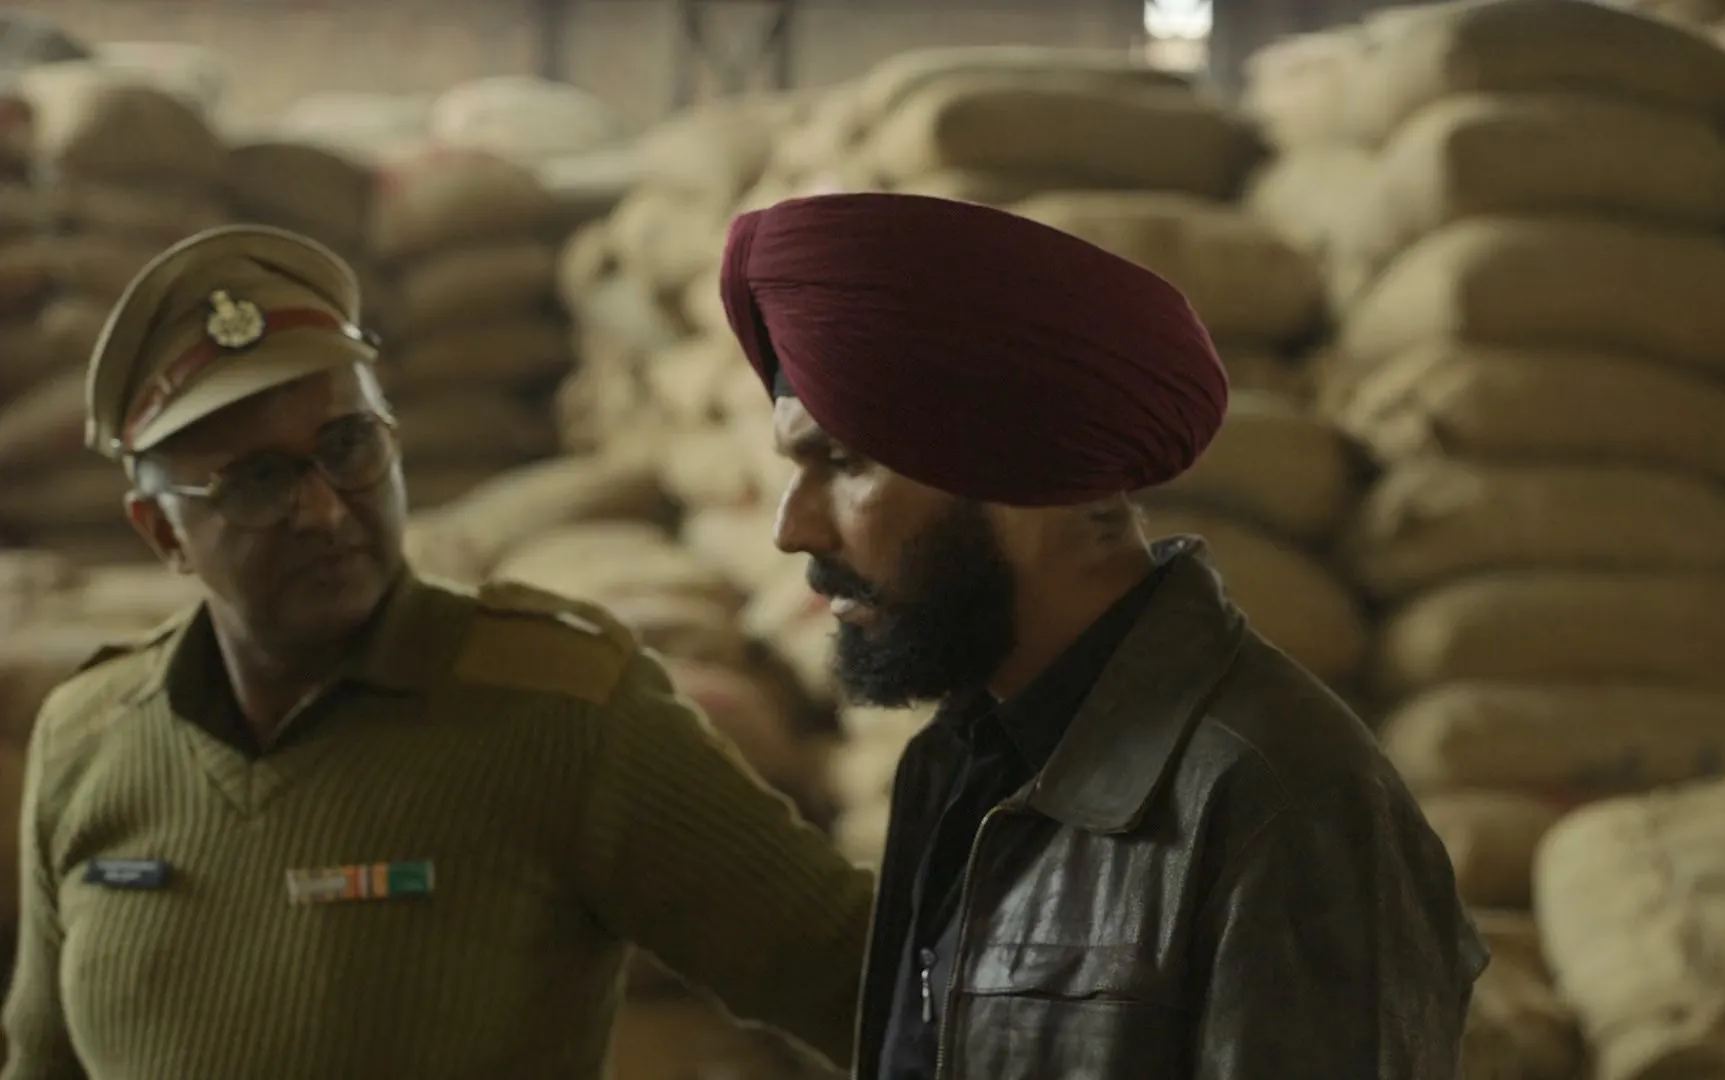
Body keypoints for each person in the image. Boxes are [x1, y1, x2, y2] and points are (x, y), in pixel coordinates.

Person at [2, 224, 874, 1079]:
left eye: (348, 447)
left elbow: (853, 975)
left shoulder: (560, 713)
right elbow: (42, 1060)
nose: (326, 510)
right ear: (163, 533)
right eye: (259, 481)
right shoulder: (87, 741)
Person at [719, 192, 1490, 1079]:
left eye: (845, 463)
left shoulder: (1281, 802)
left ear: (1014, 472)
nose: (793, 530)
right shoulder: (958, 766)